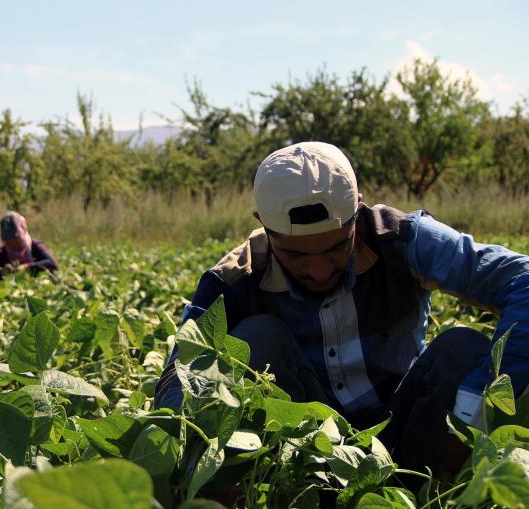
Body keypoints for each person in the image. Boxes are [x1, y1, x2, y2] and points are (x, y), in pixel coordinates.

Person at [155, 141, 529, 475]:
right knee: (257, 338)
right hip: (303, 448)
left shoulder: (401, 238)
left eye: (337, 247)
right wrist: (201, 465)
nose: (319, 270)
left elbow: (523, 281)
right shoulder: (234, 279)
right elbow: (181, 371)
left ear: (356, 214)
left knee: (461, 350)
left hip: (405, 427)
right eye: (295, 254)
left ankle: (439, 493)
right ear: (263, 227)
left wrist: (473, 404)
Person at [0, 211, 57, 282]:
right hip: (13, 289)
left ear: (22, 231)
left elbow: (52, 263)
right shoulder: (2, 252)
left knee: (54, 274)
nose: (11, 242)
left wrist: (27, 267)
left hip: (38, 284)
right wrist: (3, 271)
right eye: (7, 240)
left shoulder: (34, 245)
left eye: (14, 238)